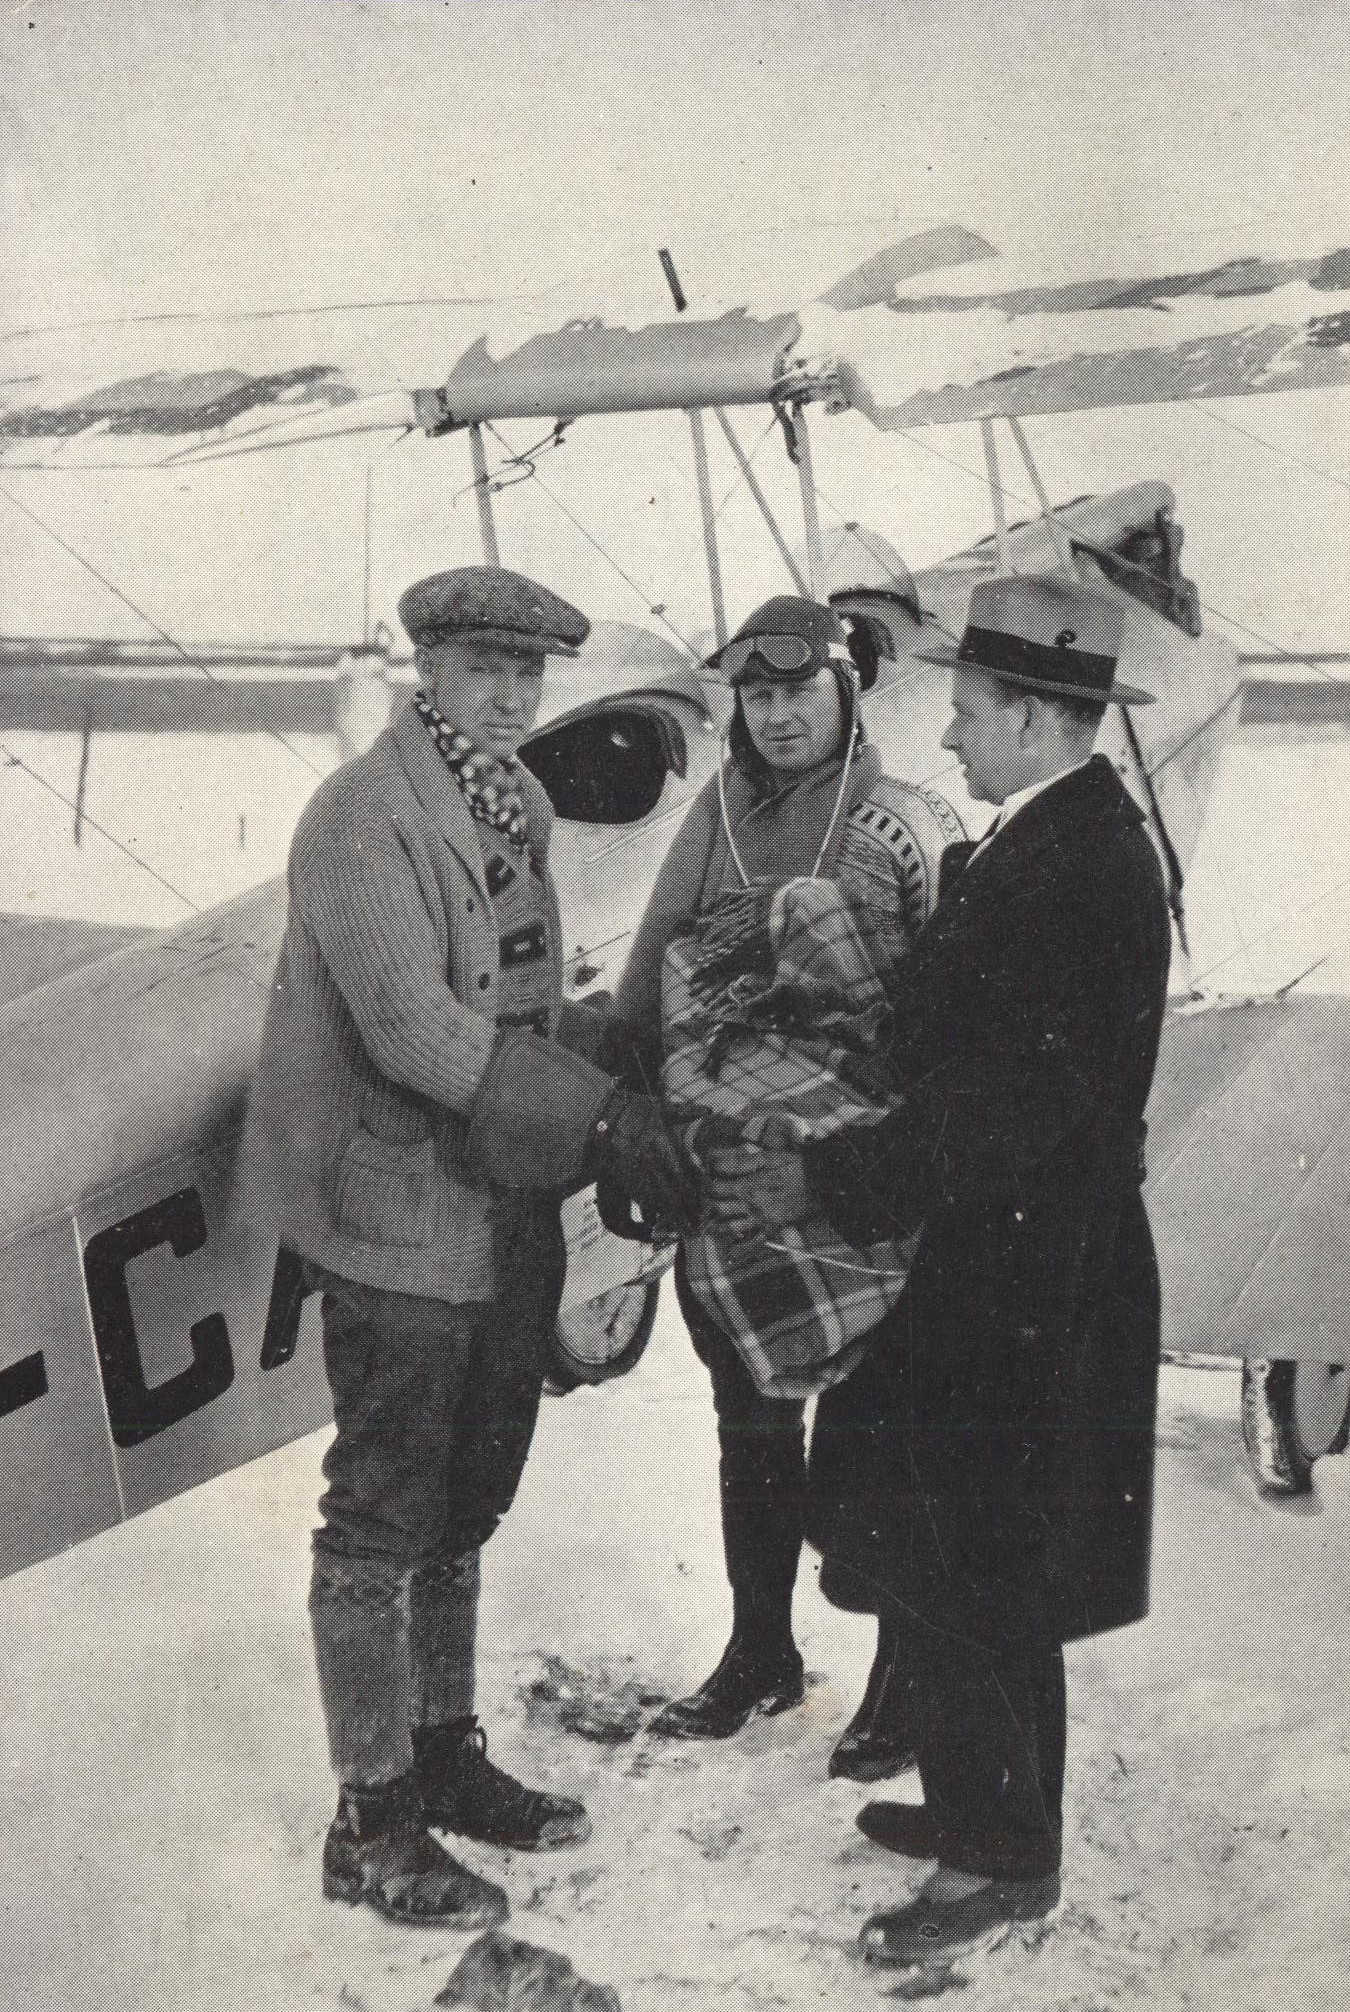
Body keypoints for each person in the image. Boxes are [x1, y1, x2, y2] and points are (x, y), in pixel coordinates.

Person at [714, 573, 1172, 1963]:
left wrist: (817, 1171)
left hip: (1019, 1290)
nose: (955, 738)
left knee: (969, 1569)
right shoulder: (1051, 841)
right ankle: (990, 1809)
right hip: (1010, 1277)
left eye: (972, 713)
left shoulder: (1073, 869)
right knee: (982, 1571)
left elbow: (1005, 1115)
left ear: (1036, 716)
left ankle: (995, 1862)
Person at [251, 565, 697, 1931]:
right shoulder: (360, 820)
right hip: (393, 1213)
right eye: (486, 669)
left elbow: (518, 999)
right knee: (383, 1514)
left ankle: (441, 1750)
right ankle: (370, 1819)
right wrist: (602, 1119)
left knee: (468, 1494)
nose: (512, 696)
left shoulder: (515, 799)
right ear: (425, 671)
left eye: (529, 674)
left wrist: (614, 1082)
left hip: (490, 1200)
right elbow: (415, 1031)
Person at [606, 594, 963, 1771]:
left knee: (890, 1420)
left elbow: (953, 1004)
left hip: (859, 1173)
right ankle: (760, 1650)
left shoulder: (901, 817)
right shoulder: (712, 818)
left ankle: (906, 1675)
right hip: (730, 1169)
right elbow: (647, 972)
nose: (778, 714)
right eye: (757, 696)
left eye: (798, 692)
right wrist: (635, 1123)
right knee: (746, 1419)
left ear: (845, 692)